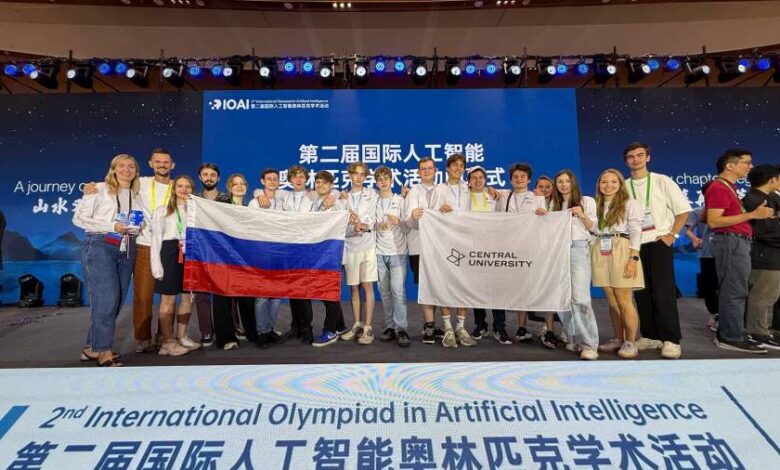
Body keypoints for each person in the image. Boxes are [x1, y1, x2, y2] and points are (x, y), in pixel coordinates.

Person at [82, 149, 175, 353]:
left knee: (168, 294)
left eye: (166, 162)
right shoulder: (140, 183)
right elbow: (105, 192)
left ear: (172, 165)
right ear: (150, 164)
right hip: (140, 243)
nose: (162, 165)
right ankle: (142, 338)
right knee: (141, 295)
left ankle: (165, 336)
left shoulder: (177, 187)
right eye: (158, 161)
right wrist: (89, 188)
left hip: (167, 245)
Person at [73, 154, 146, 367]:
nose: (126, 170)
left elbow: (138, 223)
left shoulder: (136, 195)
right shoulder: (98, 188)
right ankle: (104, 351)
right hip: (101, 245)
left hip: (127, 246)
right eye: (121, 166)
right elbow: (79, 219)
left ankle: (92, 347)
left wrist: (134, 227)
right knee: (106, 298)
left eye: (131, 166)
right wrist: (112, 226)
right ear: (113, 169)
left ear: (136, 171)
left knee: (118, 299)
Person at [623, 142, 692, 360]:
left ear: (648, 157)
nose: (635, 159)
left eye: (640, 155)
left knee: (664, 291)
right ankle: (650, 335)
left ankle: (671, 339)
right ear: (626, 161)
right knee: (641, 292)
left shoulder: (662, 181)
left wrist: (672, 236)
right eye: (631, 156)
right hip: (634, 244)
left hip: (659, 241)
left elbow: (683, 211)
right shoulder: (623, 186)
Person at [705, 149, 774, 354]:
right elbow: (713, 221)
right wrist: (753, 215)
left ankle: (733, 333)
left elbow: (706, 216)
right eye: (746, 162)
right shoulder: (719, 187)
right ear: (730, 165)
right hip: (731, 242)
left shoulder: (727, 188)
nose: (750, 167)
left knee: (736, 290)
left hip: (736, 243)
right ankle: (730, 336)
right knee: (733, 291)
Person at [592, 168, 644, 359]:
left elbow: (636, 231)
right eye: (604, 182)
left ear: (620, 184)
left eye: (613, 181)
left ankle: (631, 341)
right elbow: (593, 229)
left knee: (624, 299)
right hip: (601, 248)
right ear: (599, 184)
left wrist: (633, 258)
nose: (608, 185)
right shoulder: (596, 204)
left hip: (622, 248)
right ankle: (618, 338)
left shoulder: (630, 203)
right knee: (612, 300)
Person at [550, 169, 600, 360]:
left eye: (567, 181)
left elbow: (595, 228)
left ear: (573, 183)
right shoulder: (553, 204)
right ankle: (573, 337)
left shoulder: (586, 201)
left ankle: (589, 344)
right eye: (560, 182)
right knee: (562, 298)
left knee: (580, 298)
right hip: (557, 251)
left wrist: (582, 215)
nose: (563, 185)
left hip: (578, 248)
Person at [150, 175, 200, 357]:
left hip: (191, 253)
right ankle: (167, 342)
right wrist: (157, 267)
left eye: (188, 187)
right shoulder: (162, 211)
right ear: (174, 189)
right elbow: (155, 239)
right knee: (168, 300)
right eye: (180, 186)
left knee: (187, 298)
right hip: (170, 254)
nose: (184, 189)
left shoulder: (197, 212)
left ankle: (181, 336)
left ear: (192, 190)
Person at [498, 163, 547, 343]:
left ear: (529, 180)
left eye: (522, 177)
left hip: (529, 248)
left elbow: (545, 221)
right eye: (516, 177)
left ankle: (532, 327)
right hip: (509, 249)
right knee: (512, 287)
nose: (519, 179)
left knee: (528, 287)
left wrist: (544, 213)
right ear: (511, 180)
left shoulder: (537, 197)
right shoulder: (504, 196)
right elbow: (486, 190)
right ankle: (511, 327)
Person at [467, 167, 511, 345]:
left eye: (481, 177)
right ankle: (480, 325)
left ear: (486, 180)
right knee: (477, 288)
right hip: (473, 248)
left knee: (496, 288)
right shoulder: (463, 196)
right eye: (474, 178)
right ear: (468, 180)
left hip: (493, 247)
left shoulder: (494, 195)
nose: (478, 180)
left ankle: (500, 327)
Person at [436, 154, 477, 348]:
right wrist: (439, 210)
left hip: (465, 242)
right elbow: (431, 212)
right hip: (445, 242)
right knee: (445, 285)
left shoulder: (468, 188)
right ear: (447, 168)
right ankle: (447, 328)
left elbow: (485, 192)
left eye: (461, 166)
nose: (458, 168)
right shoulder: (440, 189)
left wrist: (494, 190)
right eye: (454, 165)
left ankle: (460, 327)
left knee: (463, 284)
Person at [404, 157, 445, 344]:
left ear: (435, 170)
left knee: (436, 285)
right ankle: (429, 325)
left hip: (438, 247)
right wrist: (413, 216)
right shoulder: (413, 192)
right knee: (424, 286)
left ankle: (433, 324)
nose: (426, 171)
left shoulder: (442, 191)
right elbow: (408, 222)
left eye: (429, 168)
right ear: (418, 172)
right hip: (418, 246)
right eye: (423, 169)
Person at [193, 163, 234, 349]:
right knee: (201, 294)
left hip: (222, 253)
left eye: (212, 175)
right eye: (205, 174)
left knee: (223, 293)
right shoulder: (194, 200)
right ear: (200, 177)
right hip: (200, 251)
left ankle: (227, 332)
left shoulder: (226, 199)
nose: (209, 178)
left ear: (218, 178)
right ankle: (206, 331)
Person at [340, 162, 380, 345]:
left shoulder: (373, 193)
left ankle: (368, 327)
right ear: (350, 175)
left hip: (368, 245)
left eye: (362, 174)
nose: (358, 177)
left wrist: (404, 195)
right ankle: (357, 324)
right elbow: (340, 227)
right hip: (350, 247)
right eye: (355, 174)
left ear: (365, 177)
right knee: (354, 288)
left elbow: (384, 209)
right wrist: (353, 228)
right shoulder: (343, 198)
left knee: (367, 286)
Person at [309, 171, 350, 347]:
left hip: (333, 255)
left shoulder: (337, 203)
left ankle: (330, 330)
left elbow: (344, 227)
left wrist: (336, 195)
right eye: (318, 182)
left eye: (324, 183)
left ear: (331, 185)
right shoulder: (314, 202)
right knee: (325, 293)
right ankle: (340, 326)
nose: (320, 185)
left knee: (329, 293)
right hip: (320, 254)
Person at [248, 168, 287, 349]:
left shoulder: (282, 201)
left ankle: (271, 328)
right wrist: (257, 194)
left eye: (275, 179)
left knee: (276, 295)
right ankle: (261, 332)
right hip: (261, 252)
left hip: (279, 252)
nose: (272, 181)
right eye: (269, 179)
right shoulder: (254, 202)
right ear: (262, 181)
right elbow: (250, 226)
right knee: (262, 295)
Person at [742, 164, 780, 349]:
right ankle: (757, 332)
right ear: (772, 179)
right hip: (763, 256)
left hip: (770, 255)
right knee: (762, 295)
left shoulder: (769, 198)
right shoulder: (755, 200)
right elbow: (765, 232)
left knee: (768, 294)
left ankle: (762, 330)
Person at [373, 166, 411, 348]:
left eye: (386, 178)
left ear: (391, 180)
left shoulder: (400, 200)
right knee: (385, 293)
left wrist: (400, 222)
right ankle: (390, 326)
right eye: (380, 179)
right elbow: (370, 223)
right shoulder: (374, 201)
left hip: (398, 253)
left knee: (398, 292)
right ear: (376, 183)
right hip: (379, 253)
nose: (383, 182)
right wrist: (376, 225)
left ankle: (401, 328)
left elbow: (408, 227)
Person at [282, 164, 317, 344]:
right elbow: (260, 191)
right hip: (289, 248)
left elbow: (333, 193)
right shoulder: (285, 196)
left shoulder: (312, 196)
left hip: (305, 248)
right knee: (292, 289)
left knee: (303, 289)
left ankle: (306, 328)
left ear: (306, 179)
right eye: (295, 176)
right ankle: (295, 326)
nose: (298, 179)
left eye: (302, 176)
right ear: (290, 179)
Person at [224, 173, 257, 345]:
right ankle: (227, 337)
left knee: (247, 298)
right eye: (235, 184)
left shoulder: (249, 209)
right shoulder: (221, 208)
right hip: (226, 259)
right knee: (226, 299)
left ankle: (251, 332)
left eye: (242, 183)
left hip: (245, 259)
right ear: (229, 187)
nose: (239, 186)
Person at [684, 187, 718, 332]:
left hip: (725, 253)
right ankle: (713, 314)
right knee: (709, 287)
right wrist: (694, 239)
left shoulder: (728, 211)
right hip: (706, 254)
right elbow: (687, 231)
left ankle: (724, 316)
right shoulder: (697, 212)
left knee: (724, 286)